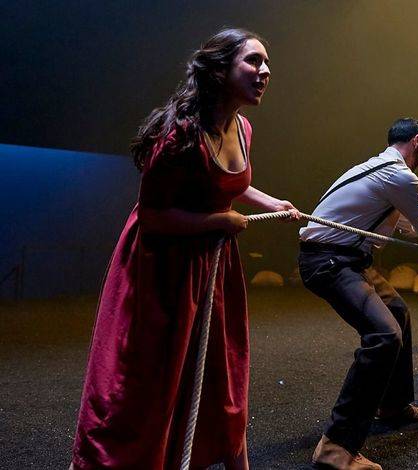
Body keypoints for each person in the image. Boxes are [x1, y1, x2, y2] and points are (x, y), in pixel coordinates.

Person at [71, 29, 299, 470]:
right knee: (149, 381)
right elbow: (153, 216)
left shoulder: (242, 128)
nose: (265, 71)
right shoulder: (177, 135)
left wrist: (272, 203)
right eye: (253, 61)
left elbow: (228, 183)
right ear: (220, 69)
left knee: (222, 372)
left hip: (212, 263)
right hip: (163, 265)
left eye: (267, 62)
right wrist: (218, 221)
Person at [298, 118, 418, 470]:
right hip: (330, 262)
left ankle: (393, 404)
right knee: (384, 336)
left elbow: (412, 224)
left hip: (348, 260)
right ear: (417, 142)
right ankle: (336, 447)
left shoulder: (375, 168)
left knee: (397, 312)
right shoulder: (400, 175)